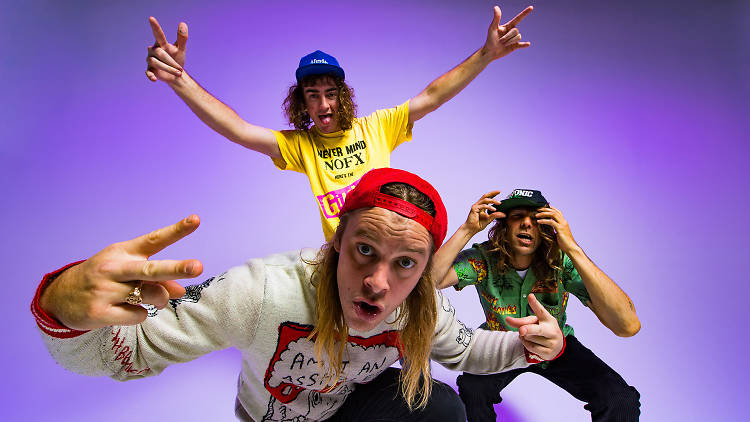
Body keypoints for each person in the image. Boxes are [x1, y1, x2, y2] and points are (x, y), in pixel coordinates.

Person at [32, 169, 565, 421]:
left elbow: (468, 350)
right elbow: (124, 358)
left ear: (425, 267)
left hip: (353, 411)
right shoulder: (263, 292)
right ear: (336, 242)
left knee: (440, 406)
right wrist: (63, 308)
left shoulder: (419, 303)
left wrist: (533, 345)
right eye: (364, 251)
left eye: (405, 264)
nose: (379, 282)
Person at [144, 5, 533, 240]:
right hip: (346, 254)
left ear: (342, 95)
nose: (324, 104)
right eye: (312, 96)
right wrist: (180, 80)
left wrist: (485, 54)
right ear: (302, 103)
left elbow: (432, 95)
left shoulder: (376, 127)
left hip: (393, 242)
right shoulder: (301, 146)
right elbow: (237, 128)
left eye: (330, 93)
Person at [432, 189, 642, 421]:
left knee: (620, 400)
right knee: (473, 390)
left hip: (556, 343)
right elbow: (429, 281)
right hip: (499, 341)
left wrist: (571, 247)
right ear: (503, 225)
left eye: (536, 219)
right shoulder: (483, 258)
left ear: (544, 230)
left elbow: (628, 326)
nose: (526, 224)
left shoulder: (561, 262)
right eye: (517, 216)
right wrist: (467, 229)